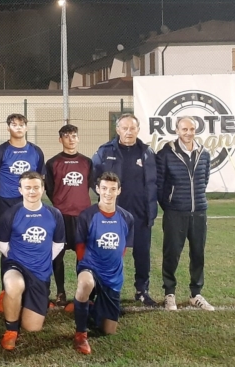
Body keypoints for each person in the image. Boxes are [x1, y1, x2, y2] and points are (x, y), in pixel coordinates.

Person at [92, 113, 159, 306]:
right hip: (113, 215)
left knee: (142, 255)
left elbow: (156, 181)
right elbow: (93, 178)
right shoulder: (105, 151)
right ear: (118, 130)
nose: (129, 132)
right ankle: (108, 291)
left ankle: (142, 290)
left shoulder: (147, 152)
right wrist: (106, 199)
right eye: (125, 128)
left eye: (132, 128)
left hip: (141, 214)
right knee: (110, 254)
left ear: (138, 130)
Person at [0, 171, 64, 351]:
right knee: (14, 284)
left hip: (40, 271)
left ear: (42, 189)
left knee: (32, 327)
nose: (32, 191)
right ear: (20, 190)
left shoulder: (54, 214)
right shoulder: (11, 214)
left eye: (36, 187)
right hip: (16, 265)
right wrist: (19, 257)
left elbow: (58, 244)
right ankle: (11, 330)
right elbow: (2, 244)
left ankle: (23, 299)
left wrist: (42, 259)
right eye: (27, 187)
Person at [0, 113, 45, 311]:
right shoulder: (0, 152)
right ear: (8, 128)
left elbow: (40, 178)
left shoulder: (36, 151)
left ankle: (33, 290)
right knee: (7, 247)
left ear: (26, 127)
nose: (18, 128)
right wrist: (6, 195)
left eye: (21, 124)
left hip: (31, 206)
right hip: (8, 205)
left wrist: (30, 198)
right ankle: (6, 292)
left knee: (32, 242)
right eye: (14, 124)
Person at [155, 115, 214, 311]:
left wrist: (196, 202)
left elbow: (204, 180)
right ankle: (169, 293)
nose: (188, 133)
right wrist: (170, 204)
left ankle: (196, 294)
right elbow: (159, 184)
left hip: (199, 212)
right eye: (184, 129)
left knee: (198, 254)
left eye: (192, 129)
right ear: (177, 131)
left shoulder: (204, 153)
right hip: (175, 213)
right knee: (171, 254)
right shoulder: (166, 153)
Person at [72, 172, 134, 354]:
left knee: (108, 330)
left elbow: (123, 249)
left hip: (113, 274)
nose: (108, 193)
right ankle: (80, 334)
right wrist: (89, 266)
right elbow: (80, 248)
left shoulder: (127, 218)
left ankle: (91, 308)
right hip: (90, 267)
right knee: (85, 283)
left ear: (119, 191)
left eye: (113, 189)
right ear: (98, 189)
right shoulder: (87, 215)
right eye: (104, 188)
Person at [44, 124, 93, 307]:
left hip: (82, 217)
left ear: (78, 138)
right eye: (66, 136)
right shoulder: (52, 163)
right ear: (60, 140)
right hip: (61, 217)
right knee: (58, 256)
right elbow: (49, 189)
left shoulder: (87, 162)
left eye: (74, 135)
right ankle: (60, 292)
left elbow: (90, 185)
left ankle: (83, 293)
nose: (71, 139)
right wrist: (62, 203)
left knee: (83, 257)